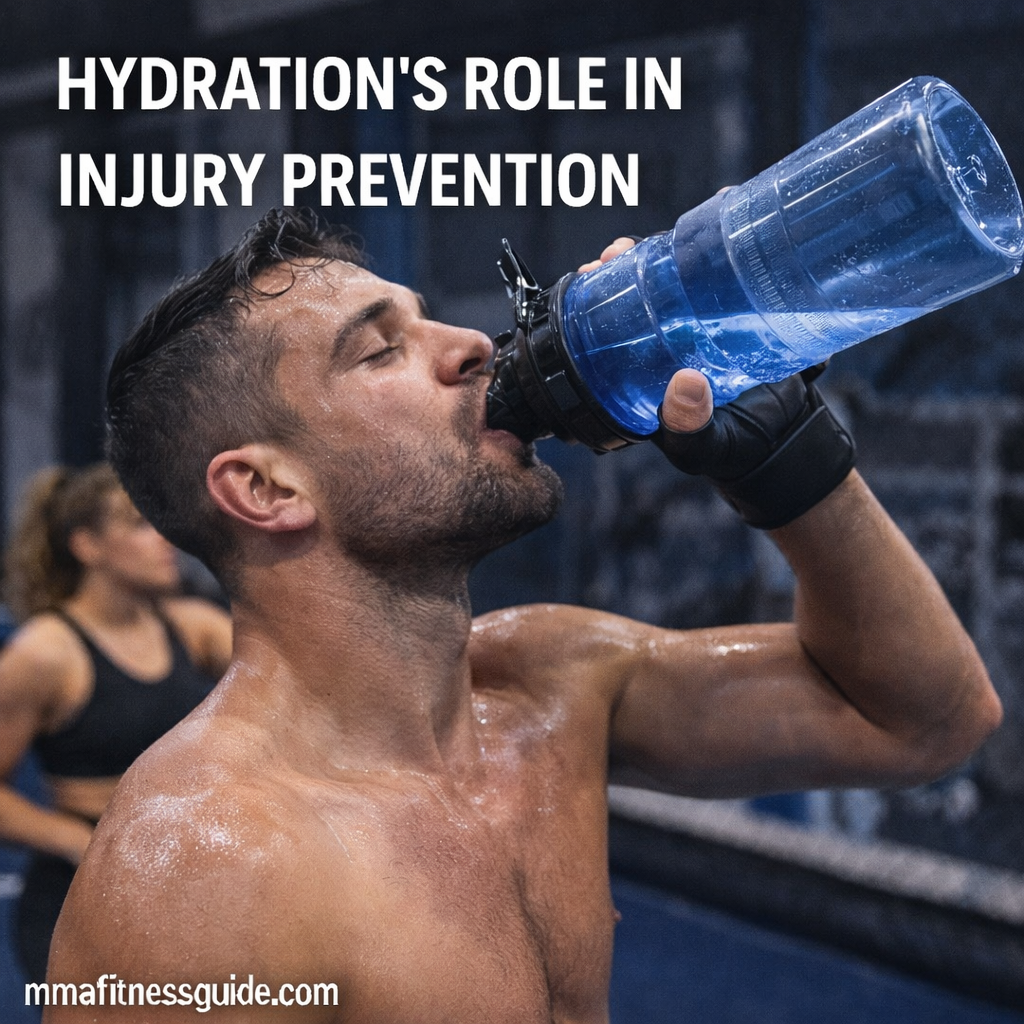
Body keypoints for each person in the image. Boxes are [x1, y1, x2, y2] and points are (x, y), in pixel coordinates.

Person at [45, 210, 999, 1022]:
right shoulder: (199, 868)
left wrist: (789, 461)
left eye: (431, 324)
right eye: (382, 349)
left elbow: (923, 719)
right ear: (264, 486)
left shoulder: (553, 683)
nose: (470, 347)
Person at [0, 463, 232, 983]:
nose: (164, 538)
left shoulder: (191, 628)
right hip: (81, 897)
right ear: (87, 546)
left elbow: (304, 670)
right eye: (138, 524)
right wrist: (75, 841)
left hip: (180, 885)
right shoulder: (46, 653)